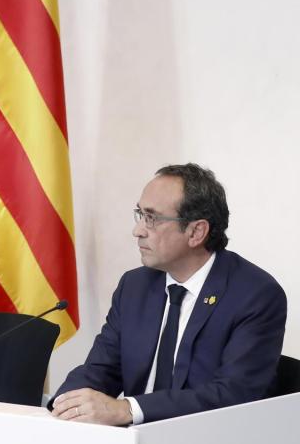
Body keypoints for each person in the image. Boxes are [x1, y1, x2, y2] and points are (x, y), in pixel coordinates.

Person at [51, 163, 286, 425]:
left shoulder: (254, 295)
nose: (138, 230)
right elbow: (100, 370)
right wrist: (63, 407)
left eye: (152, 218)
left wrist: (127, 409)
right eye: (139, 214)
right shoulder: (134, 286)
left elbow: (233, 395)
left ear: (196, 232)